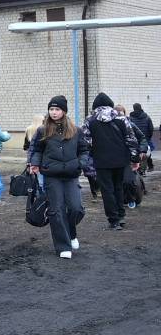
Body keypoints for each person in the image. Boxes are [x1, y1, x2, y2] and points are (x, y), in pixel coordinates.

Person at [28, 96, 89, 259]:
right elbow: (36, 149)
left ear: (64, 111)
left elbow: (84, 150)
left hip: (71, 173)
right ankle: (63, 246)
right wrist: (34, 163)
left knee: (76, 208)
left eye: (57, 109)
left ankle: (71, 232)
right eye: (51, 109)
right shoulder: (43, 130)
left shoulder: (76, 130)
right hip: (51, 175)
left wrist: (80, 163)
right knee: (56, 210)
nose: (54, 112)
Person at [82, 93, 139, 230]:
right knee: (118, 187)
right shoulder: (121, 118)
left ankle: (113, 220)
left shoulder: (90, 120)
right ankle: (121, 215)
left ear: (95, 106)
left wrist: (89, 158)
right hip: (121, 159)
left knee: (107, 190)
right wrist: (134, 158)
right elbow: (131, 138)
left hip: (101, 161)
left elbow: (86, 142)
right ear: (110, 104)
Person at [116, 104, 149, 209]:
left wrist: (142, 150)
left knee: (129, 181)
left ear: (125, 114)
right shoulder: (112, 126)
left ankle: (131, 198)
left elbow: (142, 138)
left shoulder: (131, 125)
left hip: (130, 158)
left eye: (121, 114)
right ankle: (121, 200)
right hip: (116, 159)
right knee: (118, 182)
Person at [129, 103, 155, 172]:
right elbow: (151, 128)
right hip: (146, 138)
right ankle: (150, 166)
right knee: (147, 153)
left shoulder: (131, 118)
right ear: (140, 107)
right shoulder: (147, 117)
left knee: (137, 153)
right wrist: (148, 137)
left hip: (136, 138)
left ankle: (140, 169)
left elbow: (130, 129)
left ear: (134, 108)